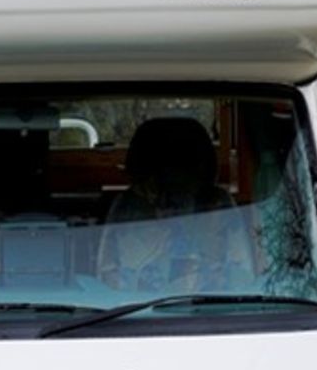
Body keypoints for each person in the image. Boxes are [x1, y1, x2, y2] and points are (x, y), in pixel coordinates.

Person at [98, 116, 255, 292]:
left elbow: (241, 280)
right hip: (134, 314)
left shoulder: (218, 206)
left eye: (180, 168)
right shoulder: (127, 208)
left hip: (211, 311)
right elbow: (109, 282)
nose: (171, 181)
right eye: (163, 170)